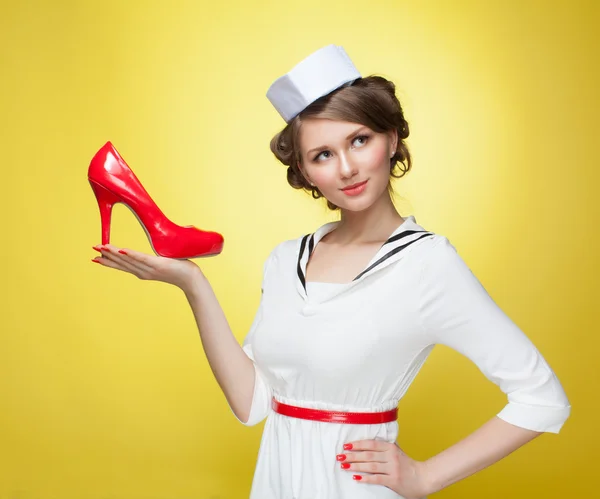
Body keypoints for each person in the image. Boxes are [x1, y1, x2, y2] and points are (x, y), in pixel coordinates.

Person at [91, 45, 571, 498]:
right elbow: (253, 403)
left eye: (359, 140)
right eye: (322, 154)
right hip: (276, 483)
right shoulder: (286, 259)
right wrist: (191, 282)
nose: (346, 168)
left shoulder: (428, 264)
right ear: (304, 171)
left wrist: (425, 477)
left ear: (392, 138)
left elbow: (542, 398)